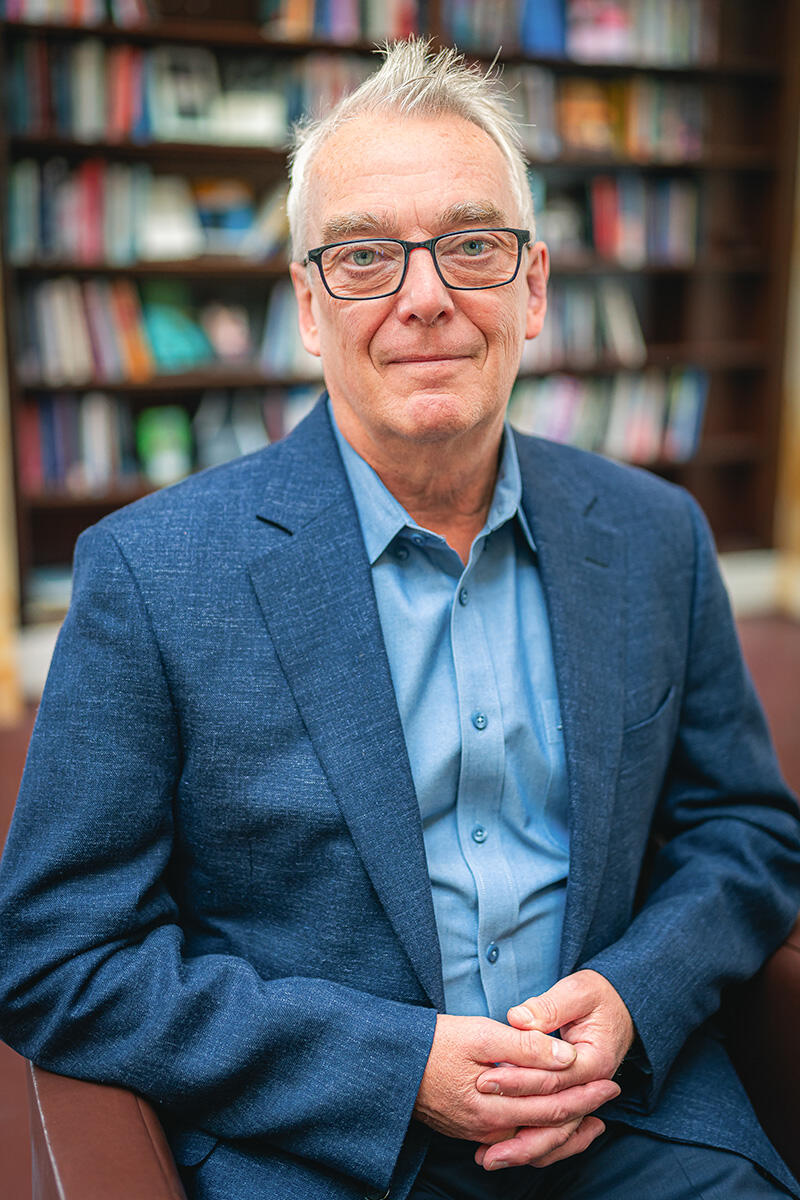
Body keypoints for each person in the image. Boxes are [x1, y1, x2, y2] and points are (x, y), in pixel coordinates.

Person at [1, 39, 799, 1200]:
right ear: (309, 308)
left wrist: (635, 996)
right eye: (366, 256)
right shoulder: (152, 572)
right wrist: (396, 1067)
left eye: (470, 246)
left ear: (530, 288)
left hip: (631, 1123)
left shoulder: (654, 535)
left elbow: (745, 831)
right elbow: (60, 955)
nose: (424, 297)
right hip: (322, 1147)